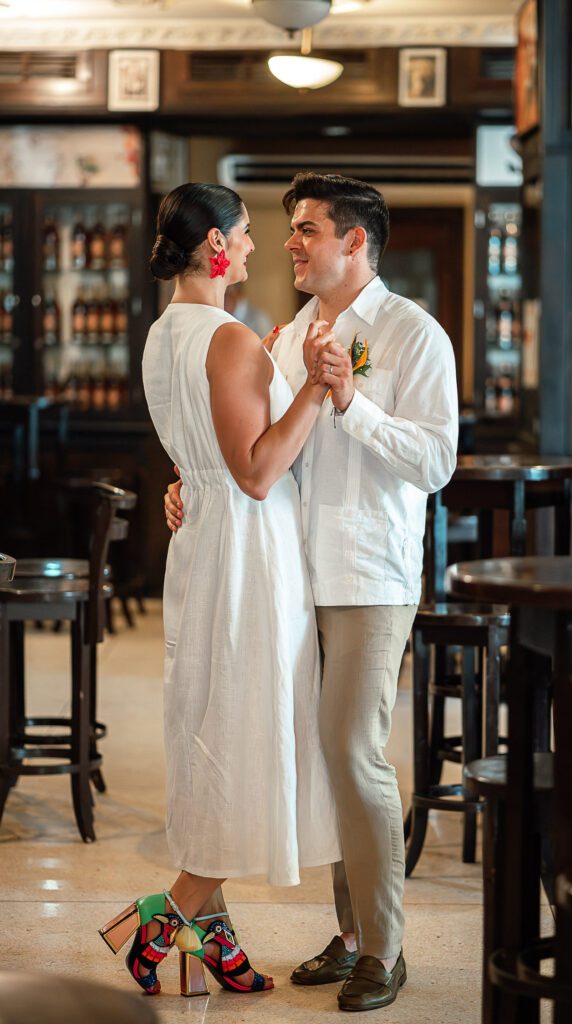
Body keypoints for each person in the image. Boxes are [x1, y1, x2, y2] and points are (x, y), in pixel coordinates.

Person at [165, 172, 459, 1012]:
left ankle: (386, 950)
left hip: (368, 575)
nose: (289, 243)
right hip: (287, 575)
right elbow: (247, 443)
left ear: (354, 241)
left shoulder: (413, 335)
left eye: (305, 229)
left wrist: (352, 402)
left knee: (352, 753)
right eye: (288, 230)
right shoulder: (286, 335)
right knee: (317, 759)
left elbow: (436, 462)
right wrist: (185, 481)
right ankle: (354, 933)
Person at [99, 182, 341, 1000]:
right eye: (241, 232)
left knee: (211, 725)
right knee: (242, 733)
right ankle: (160, 921)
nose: (253, 245)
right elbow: (260, 470)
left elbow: (200, 453)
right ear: (213, 247)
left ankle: (215, 948)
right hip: (247, 550)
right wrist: (309, 383)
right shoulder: (229, 338)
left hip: (201, 539)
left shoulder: (165, 333)